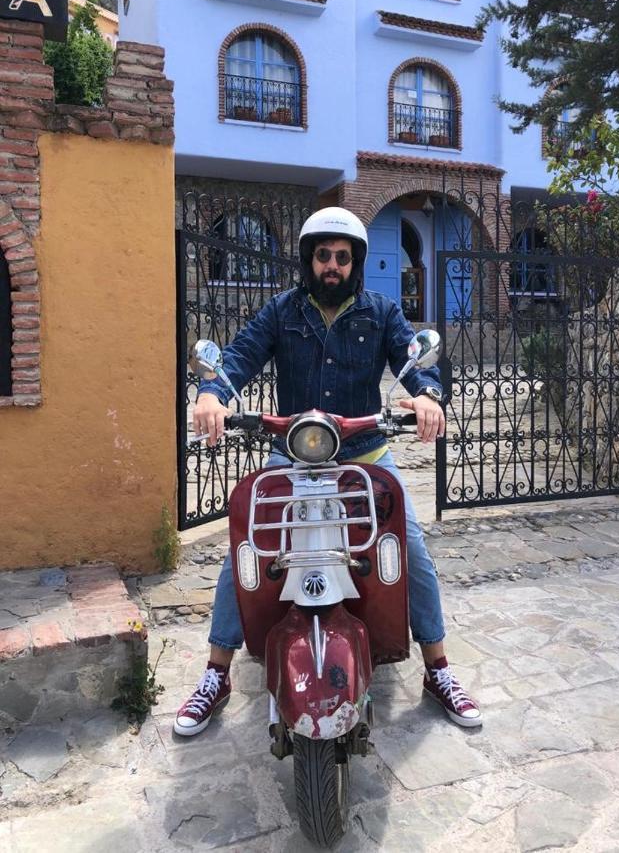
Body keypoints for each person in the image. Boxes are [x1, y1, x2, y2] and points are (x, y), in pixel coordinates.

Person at [174, 207, 481, 736]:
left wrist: (428, 398)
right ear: (308, 260)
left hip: (364, 454)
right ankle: (215, 673)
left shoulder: (381, 312)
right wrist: (210, 393)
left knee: (413, 549)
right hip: (292, 454)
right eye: (323, 256)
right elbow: (240, 357)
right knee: (245, 545)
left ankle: (438, 668)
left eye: (342, 257)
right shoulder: (281, 311)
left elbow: (416, 360)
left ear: (356, 262)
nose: (332, 266)